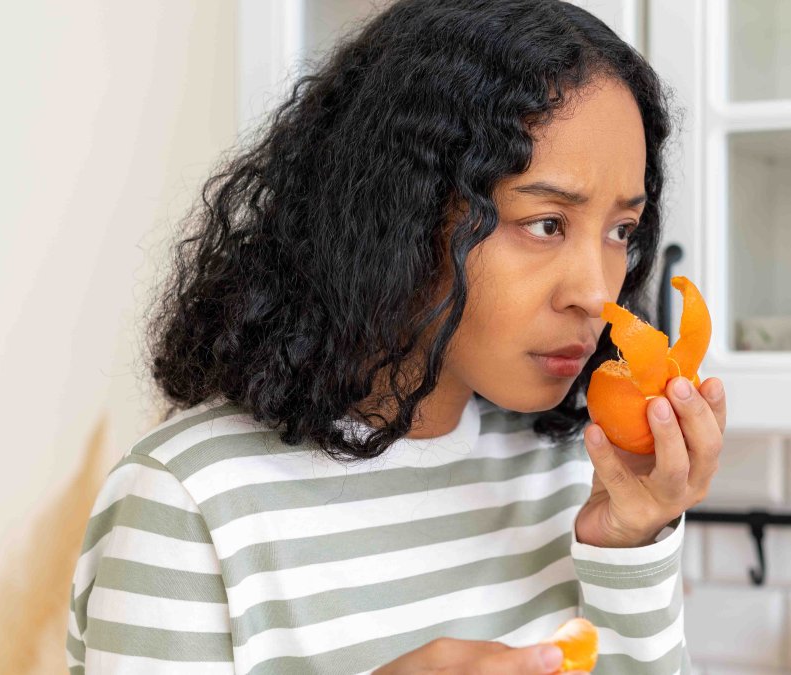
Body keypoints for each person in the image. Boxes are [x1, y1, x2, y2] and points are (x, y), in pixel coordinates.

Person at [65, 0, 727, 672]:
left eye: (622, 231)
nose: (595, 291)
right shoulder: (190, 500)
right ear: (404, 212)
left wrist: (629, 546)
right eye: (546, 223)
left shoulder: (578, 472)